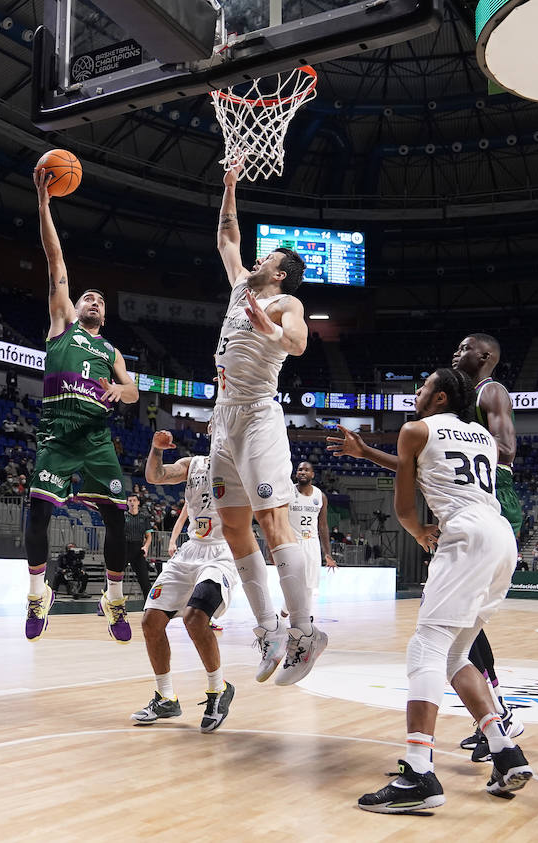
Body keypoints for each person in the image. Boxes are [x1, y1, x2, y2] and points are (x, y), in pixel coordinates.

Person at [330, 334, 526, 762]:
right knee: (459, 646)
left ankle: (419, 767)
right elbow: (426, 463)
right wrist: (367, 453)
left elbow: (415, 487)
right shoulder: (473, 433)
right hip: (496, 530)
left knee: (429, 645)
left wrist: (419, 531)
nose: (458, 353)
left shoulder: (484, 394)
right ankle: (501, 738)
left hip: (483, 517)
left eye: (466, 349)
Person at [212, 159, 320, 685]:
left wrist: (270, 330)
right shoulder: (239, 287)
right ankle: (268, 628)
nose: (255, 257)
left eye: (268, 257)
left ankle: (304, 631)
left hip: (257, 415)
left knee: (272, 521)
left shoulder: (285, 301)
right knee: (232, 525)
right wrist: (230, 187)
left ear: (278, 273)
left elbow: (299, 344)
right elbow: (227, 236)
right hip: (221, 419)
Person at [23, 167, 140, 643]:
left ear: (105, 314)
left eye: (98, 300)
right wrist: (45, 204)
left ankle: (113, 599)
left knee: (116, 517)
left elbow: (132, 390)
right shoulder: (62, 325)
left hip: (95, 436)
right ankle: (37, 594)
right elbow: (56, 261)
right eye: (86, 296)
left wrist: (120, 391)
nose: (91, 301)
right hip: (56, 431)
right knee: (38, 512)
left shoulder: (111, 352)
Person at [134, 429, 239, 732]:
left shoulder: (245, 463)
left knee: (195, 619)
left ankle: (218, 689)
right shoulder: (193, 464)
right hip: (191, 550)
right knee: (150, 621)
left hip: (223, 552)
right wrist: (156, 449)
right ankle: (166, 697)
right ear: (210, 431)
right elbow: (155, 476)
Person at [285, 461, 335, 613]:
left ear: (312, 474)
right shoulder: (288, 492)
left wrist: (327, 553)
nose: (302, 472)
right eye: (300, 469)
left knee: (309, 584)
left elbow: (323, 526)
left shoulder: (320, 496)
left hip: (311, 543)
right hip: (292, 542)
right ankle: (286, 614)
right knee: (293, 583)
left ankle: (303, 616)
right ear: (296, 473)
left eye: (306, 470)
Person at [123, 493, 155, 597]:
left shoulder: (144, 517)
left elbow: (149, 536)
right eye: (130, 500)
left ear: (138, 502)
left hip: (138, 549)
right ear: (127, 503)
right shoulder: (123, 516)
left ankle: (149, 606)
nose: (132, 502)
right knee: (115, 576)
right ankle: (105, 603)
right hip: (125, 548)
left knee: (145, 580)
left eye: (134, 500)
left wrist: (146, 547)